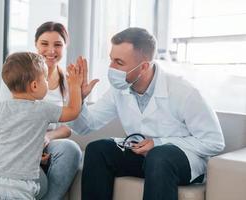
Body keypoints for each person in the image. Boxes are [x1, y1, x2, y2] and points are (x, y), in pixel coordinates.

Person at [68, 27, 225, 200]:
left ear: (143, 67)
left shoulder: (183, 91)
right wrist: (78, 100)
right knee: (98, 149)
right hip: (142, 156)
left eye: (119, 63)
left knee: (159, 156)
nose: (111, 68)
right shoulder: (119, 90)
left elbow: (214, 142)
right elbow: (85, 127)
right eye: (111, 60)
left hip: (181, 160)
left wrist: (159, 143)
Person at [0, 52, 83, 200]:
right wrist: (75, 86)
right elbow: (73, 112)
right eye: (45, 79)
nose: (47, 82)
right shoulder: (42, 109)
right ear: (34, 85)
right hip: (18, 186)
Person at [34, 21, 97, 200]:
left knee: (71, 149)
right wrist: (31, 144)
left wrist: (47, 138)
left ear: (65, 46)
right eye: (44, 44)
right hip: (22, 140)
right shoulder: (20, 73)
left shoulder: (68, 81)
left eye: (58, 45)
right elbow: (8, 114)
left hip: (48, 142)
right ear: (36, 44)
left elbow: (68, 126)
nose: (51, 50)